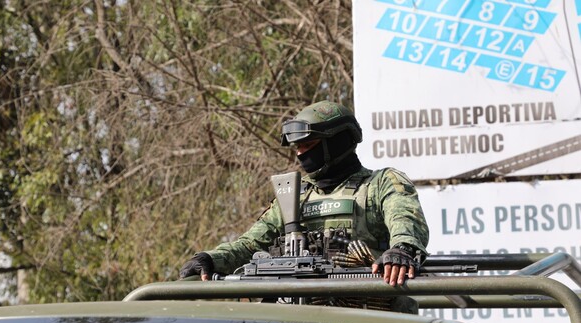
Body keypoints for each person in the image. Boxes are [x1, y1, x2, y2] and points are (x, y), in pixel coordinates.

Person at [179, 100, 429, 308]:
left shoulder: (380, 183)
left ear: (336, 142)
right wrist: (211, 258)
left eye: (308, 145)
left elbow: (405, 222)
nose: (300, 155)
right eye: (297, 148)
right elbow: (250, 244)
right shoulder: (294, 195)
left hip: (371, 318)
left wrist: (402, 251)